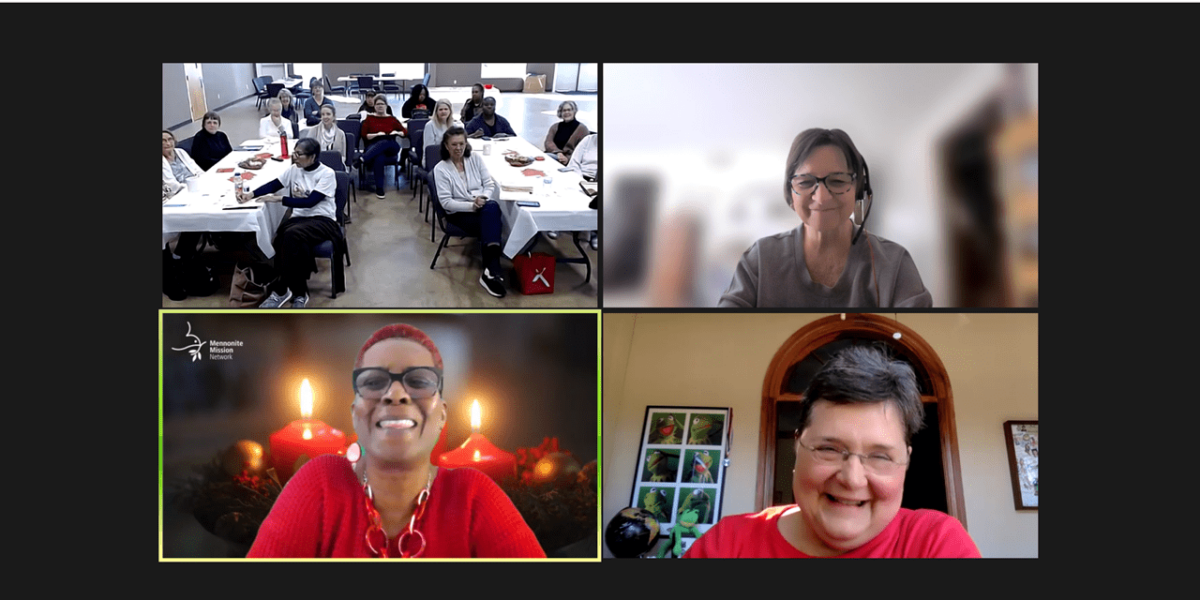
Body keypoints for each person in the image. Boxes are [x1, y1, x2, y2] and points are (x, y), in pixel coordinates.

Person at [248, 324, 545, 558]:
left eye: (418, 381)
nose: (395, 394)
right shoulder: (318, 483)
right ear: (355, 414)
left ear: (442, 415)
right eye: (374, 382)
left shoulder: (474, 495)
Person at [684, 345, 980, 558]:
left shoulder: (934, 544)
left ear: (905, 463)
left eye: (880, 456)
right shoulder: (727, 545)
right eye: (829, 448)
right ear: (797, 448)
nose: (852, 479)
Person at [718, 128, 932, 308]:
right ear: (789, 192)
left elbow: (921, 340)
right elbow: (723, 333)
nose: (821, 198)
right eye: (805, 182)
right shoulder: (759, 260)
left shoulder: (894, 263)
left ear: (858, 191)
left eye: (838, 181)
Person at [234, 138, 340, 309]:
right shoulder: (294, 170)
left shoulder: (326, 174)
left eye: (299, 154)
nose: (295, 157)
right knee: (283, 240)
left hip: (323, 220)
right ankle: (299, 292)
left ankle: (282, 290)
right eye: (294, 153)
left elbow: (310, 202)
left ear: (312, 157)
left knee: (289, 236)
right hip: (299, 220)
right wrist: (251, 194)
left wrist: (279, 199)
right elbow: (275, 184)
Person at [432, 127, 507, 298]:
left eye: (461, 144)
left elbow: (489, 184)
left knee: (491, 209)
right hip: (458, 213)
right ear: (446, 145)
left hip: (481, 206)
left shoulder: (475, 158)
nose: (458, 148)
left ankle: (490, 271)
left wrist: (483, 197)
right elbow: (446, 202)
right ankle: (493, 269)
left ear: (466, 143)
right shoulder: (440, 169)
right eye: (454, 144)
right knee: (494, 220)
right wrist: (471, 206)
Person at [360, 95, 407, 199]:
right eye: (377, 104)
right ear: (374, 106)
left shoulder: (392, 119)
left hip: (391, 146)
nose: (380, 106)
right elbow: (364, 135)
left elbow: (404, 132)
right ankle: (379, 188)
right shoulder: (369, 119)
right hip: (373, 145)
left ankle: (363, 158)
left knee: (385, 142)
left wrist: (397, 132)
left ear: (386, 105)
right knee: (379, 157)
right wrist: (376, 135)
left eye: (382, 104)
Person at [567, 132, 599, 250]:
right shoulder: (588, 140)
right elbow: (574, 162)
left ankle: (593, 231)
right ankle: (557, 223)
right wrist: (579, 179)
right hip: (580, 177)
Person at [544, 101, 590, 166]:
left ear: (574, 111)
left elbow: (583, 151)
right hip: (554, 155)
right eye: (564, 110)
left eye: (569, 110)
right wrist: (558, 152)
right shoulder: (555, 127)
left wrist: (568, 158)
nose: (566, 112)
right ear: (560, 113)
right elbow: (548, 142)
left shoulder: (582, 129)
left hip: (570, 161)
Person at [162, 130, 201, 196]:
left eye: (170, 139)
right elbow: (172, 184)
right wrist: (191, 187)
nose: (168, 143)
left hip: (197, 185)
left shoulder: (180, 152)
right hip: (181, 193)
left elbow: (197, 169)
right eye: (163, 141)